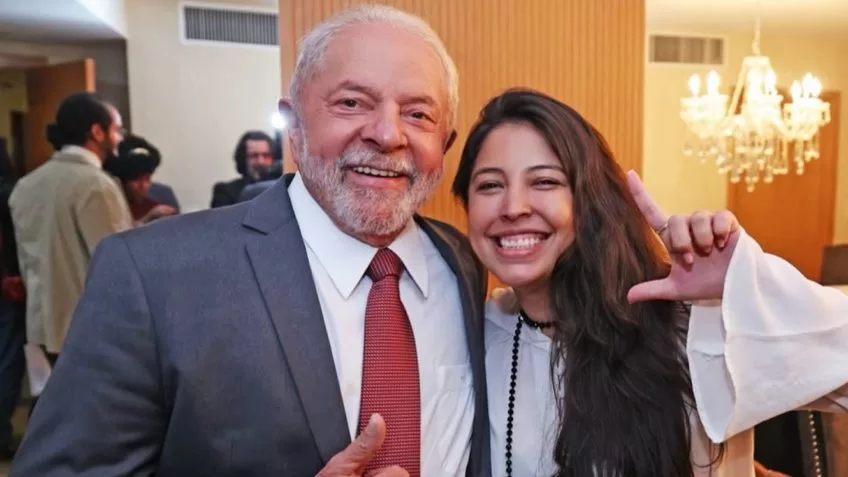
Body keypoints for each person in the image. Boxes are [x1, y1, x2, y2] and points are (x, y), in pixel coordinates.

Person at [10, 5, 489, 477]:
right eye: (351, 103)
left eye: (418, 113)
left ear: (444, 146)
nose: (388, 134)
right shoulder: (152, 276)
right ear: (293, 126)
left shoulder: (464, 262)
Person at [451, 89, 848, 477]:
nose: (514, 207)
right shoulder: (476, 336)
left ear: (590, 199)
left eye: (544, 182)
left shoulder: (693, 328)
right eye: (489, 185)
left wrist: (745, 289)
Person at [9, 92, 130, 367]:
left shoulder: (27, 184)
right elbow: (118, 264)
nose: (121, 137)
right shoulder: (95, 184)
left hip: (44, 325)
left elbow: (31, 261)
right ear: (97, 132)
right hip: (91, 328)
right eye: (117, 129)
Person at [104, 134, 177, 224]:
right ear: (122, 180)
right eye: (136, 179)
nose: (143, 185)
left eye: (147, 179)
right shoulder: (110, 208)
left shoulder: (157, 206)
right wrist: (147, 218)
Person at [210, 130, 276, 208]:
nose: (260, 161)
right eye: (254, 156)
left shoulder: (284, 187)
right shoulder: (225, 192)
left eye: (266, 155)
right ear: (242, 158)